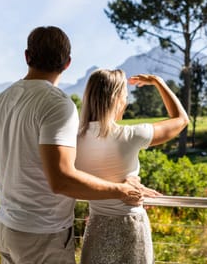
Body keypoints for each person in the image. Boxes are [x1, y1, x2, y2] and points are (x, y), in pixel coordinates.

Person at [0, 26, 153, 264]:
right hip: (42, 233)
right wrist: (121, 190)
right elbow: (61, 179)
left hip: (6, 227)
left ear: (26, 56)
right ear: (67, 63)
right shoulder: (57, 104)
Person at [75, 70, 189, 264]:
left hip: (97, 226)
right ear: (117, 99)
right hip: (131, 226)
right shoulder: (130, 135)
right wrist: (158, 82)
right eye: (125, 96)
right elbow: (181, 119)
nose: (126, 103)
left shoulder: (74, 140)